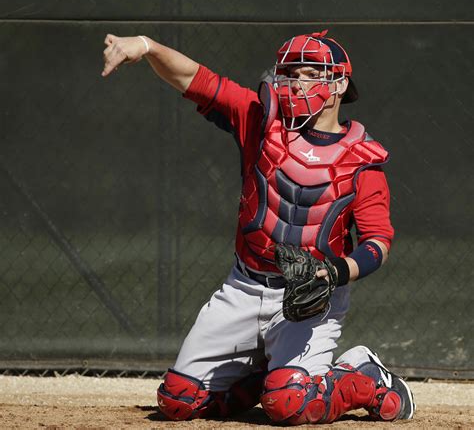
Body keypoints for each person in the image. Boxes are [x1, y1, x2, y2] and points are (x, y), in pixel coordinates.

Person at [102, 31, 415, 424]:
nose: (293, 83)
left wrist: (336, 272)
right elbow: (194, 80)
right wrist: (147, 47)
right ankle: (272, 375)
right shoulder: (261, 120)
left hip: (309, 298)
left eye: (306, 74)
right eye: (289, 74)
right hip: (244, 288)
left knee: (290, 405)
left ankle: (364, 378)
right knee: (179, 402)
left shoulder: (362, 158)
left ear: (338, 84)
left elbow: (377, 243)